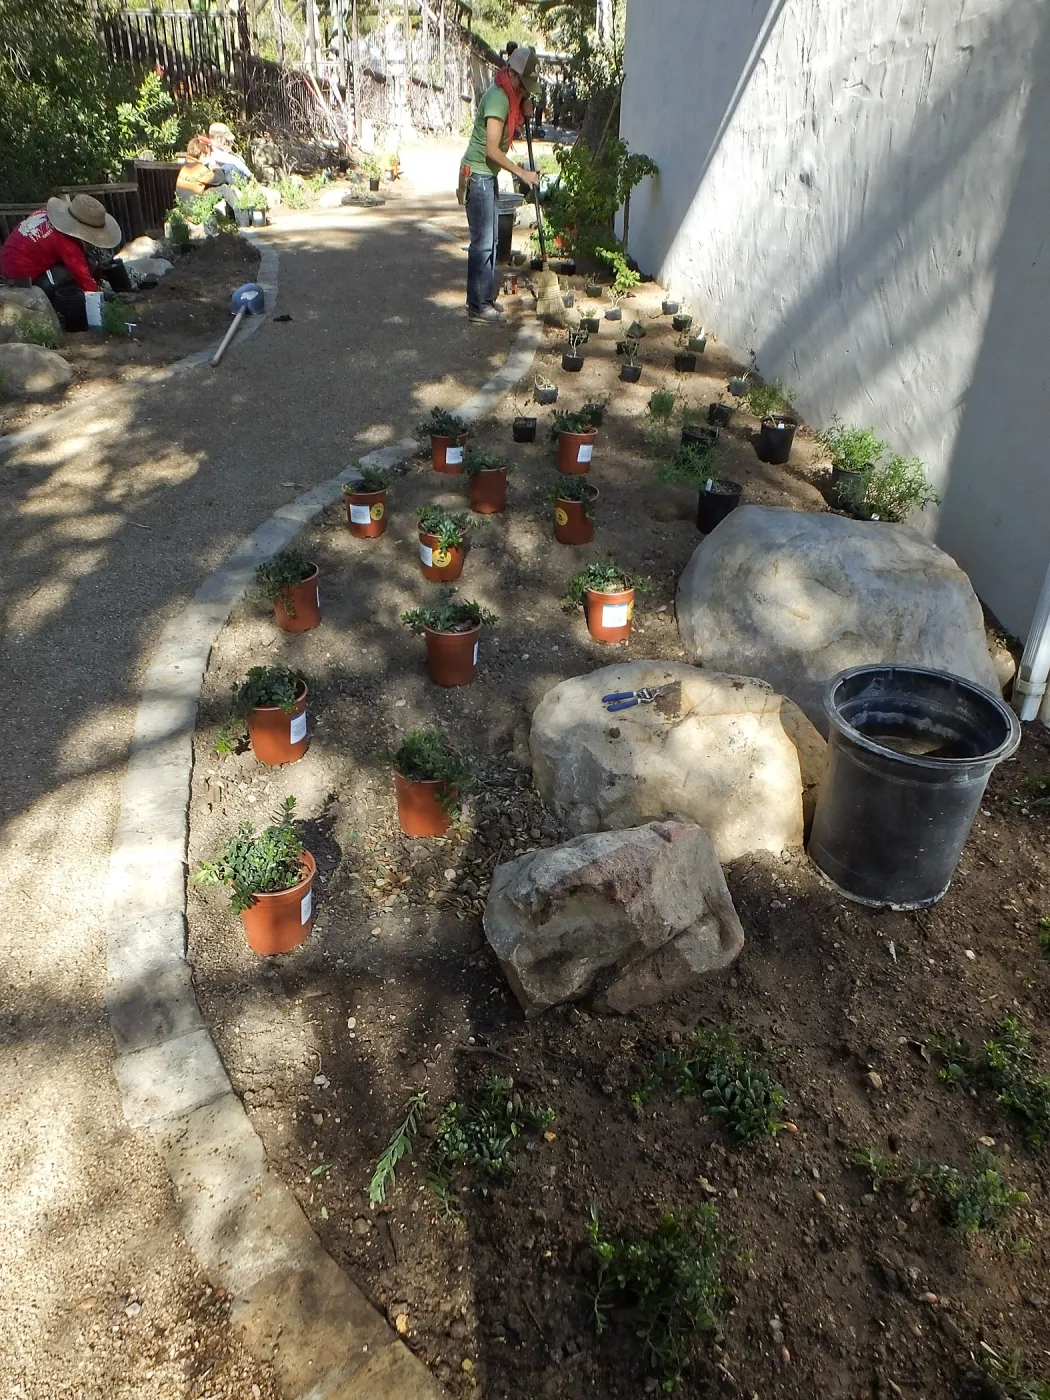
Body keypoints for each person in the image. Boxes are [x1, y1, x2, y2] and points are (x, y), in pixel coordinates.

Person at [459, 44, 541, 325]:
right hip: (478, 174)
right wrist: (523, 173)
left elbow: (516, 113)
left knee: (492, 241)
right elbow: (492, 150)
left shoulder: (510, 97)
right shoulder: (498, 99)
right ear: (514, 77)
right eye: (524, 87)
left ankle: (484, 299)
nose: (526, 92)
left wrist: (525, 108)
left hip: (487, 176)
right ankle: (477, 305)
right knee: (482, 244)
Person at [0, 194, 123, 328]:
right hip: (23, 281)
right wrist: (98, 301)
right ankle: (58, 305)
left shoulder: (42, 212)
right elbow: (83, 277)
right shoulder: (66, 242)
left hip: (6, 267)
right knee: (70, 271)